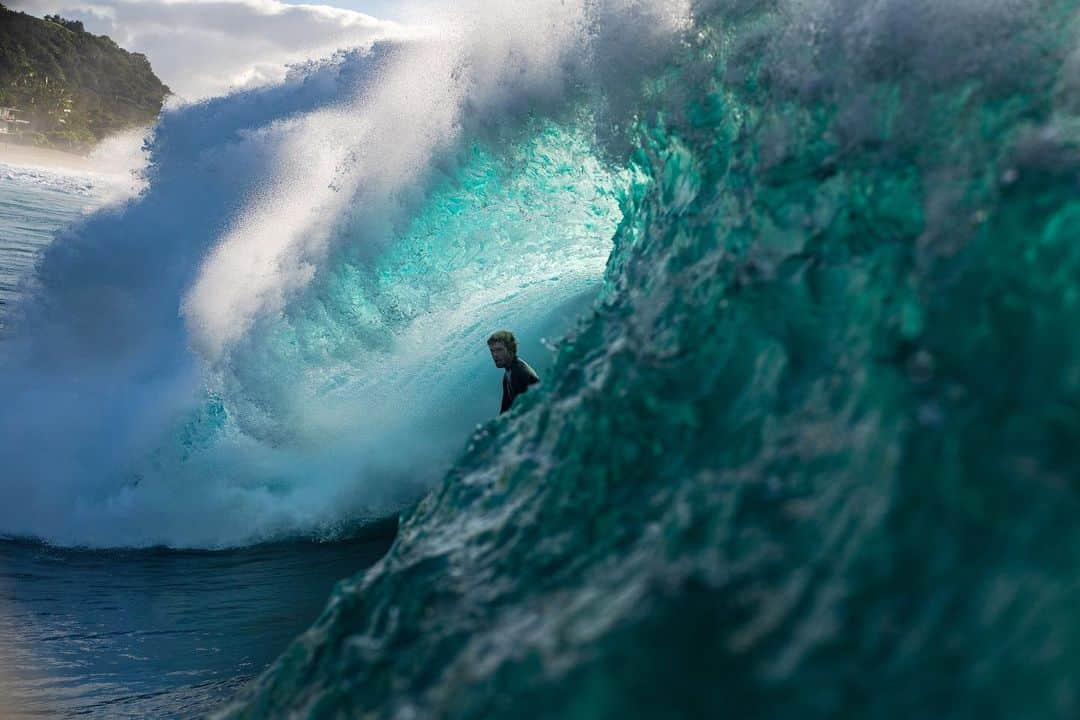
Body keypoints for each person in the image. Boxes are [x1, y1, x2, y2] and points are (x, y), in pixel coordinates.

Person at [487, 330, 539, 414]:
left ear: (510, 350)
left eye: (499, 350)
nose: (495, 355)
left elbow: (527, 411)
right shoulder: (507, 375)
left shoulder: (519, 372)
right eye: (492, 351)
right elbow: (505, 410)